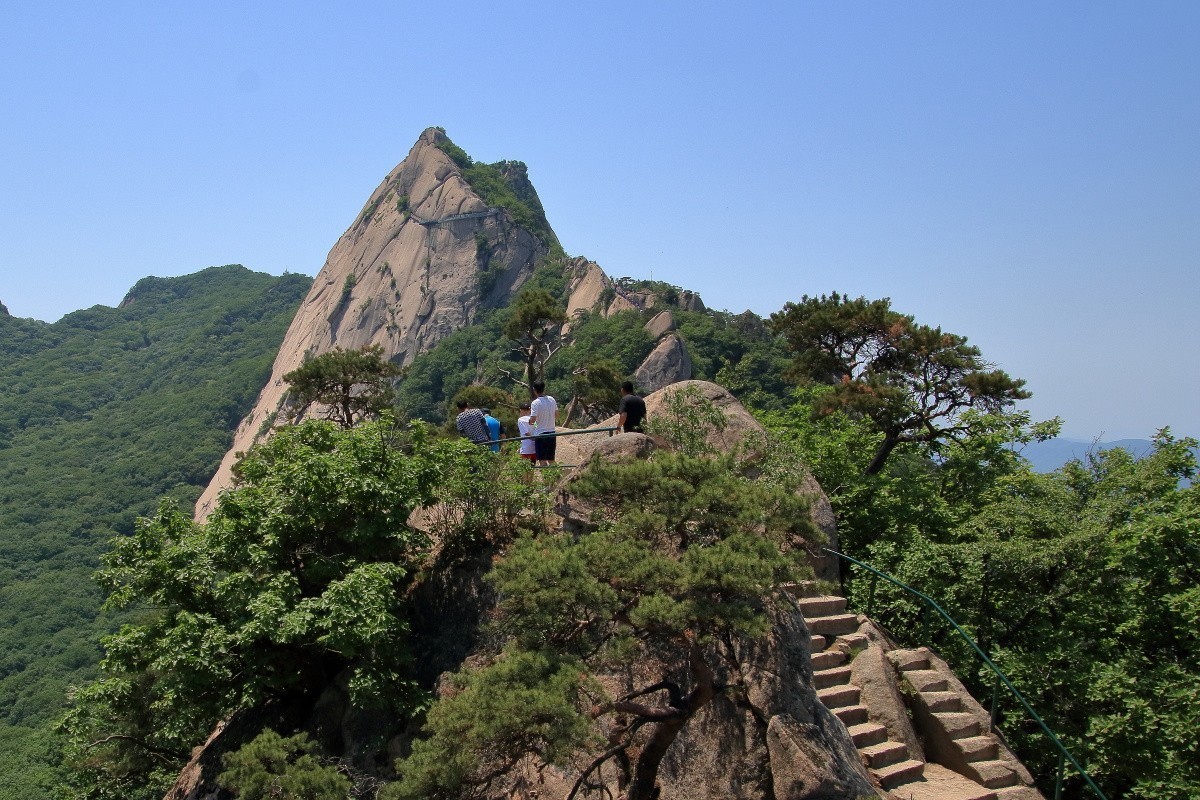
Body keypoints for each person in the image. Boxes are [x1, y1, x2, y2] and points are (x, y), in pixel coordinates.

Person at [527, 380, 558, 466]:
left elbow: (533, 420)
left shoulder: (535, 403)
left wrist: (530, 421)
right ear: (544, 388)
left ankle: (547, 479)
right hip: (552, 432)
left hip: (541, 434)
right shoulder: (552, 399)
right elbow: (556, 414)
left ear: (534, 390)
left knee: (542, 460)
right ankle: (555, 477)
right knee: (551, 459)